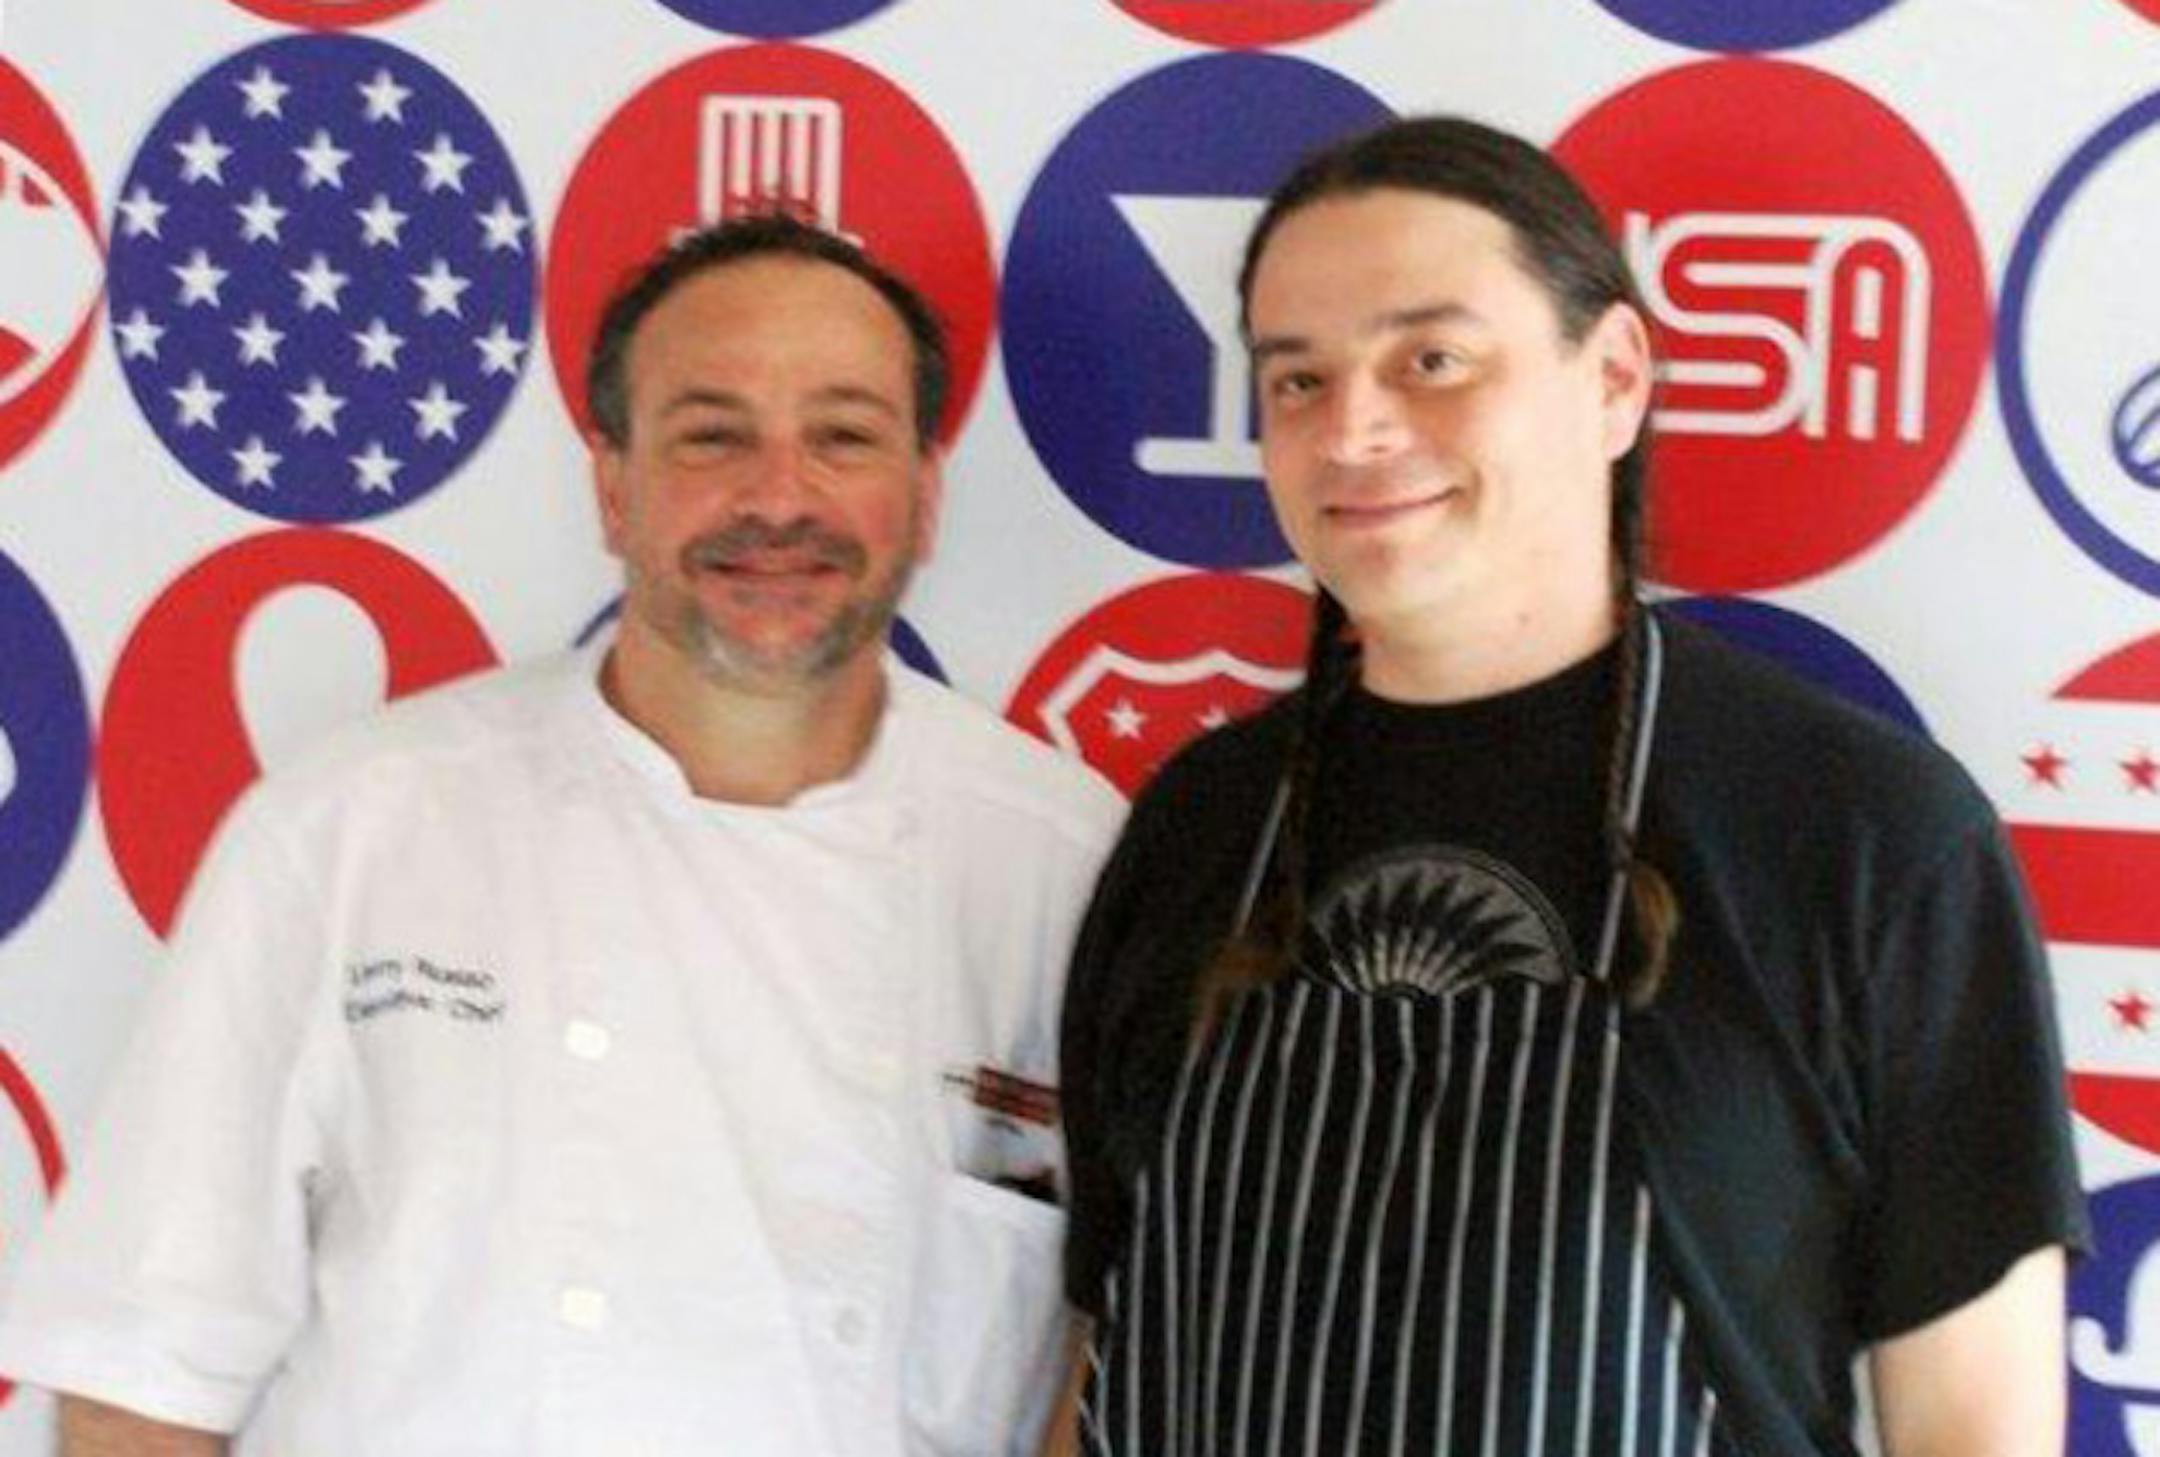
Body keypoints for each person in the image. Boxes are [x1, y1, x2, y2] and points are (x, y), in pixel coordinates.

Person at [0, 215, 1122, 1457]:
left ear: (923, 495)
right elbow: (139, 1378)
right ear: (612, 487)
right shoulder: (356, 828)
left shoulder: (1069, 867)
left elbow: (1112, 1353)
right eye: (712, 435)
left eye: (844, 437)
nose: (778, 497)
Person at [1053, 117, 2086, 1456]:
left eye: (1431, 359)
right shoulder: (1197, 824)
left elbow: (1977, 1427)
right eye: (1297, 380)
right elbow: (1099, 1364)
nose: (1354, 427)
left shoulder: (1866, 835)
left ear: (1615, 377)